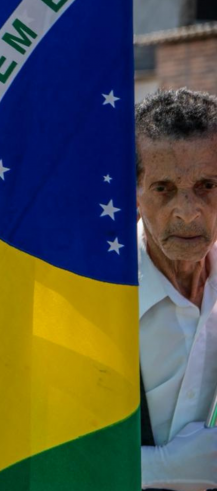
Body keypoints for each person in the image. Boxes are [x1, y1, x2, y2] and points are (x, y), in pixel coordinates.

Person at [137, 88, 217, 491]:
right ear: (134, 192)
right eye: (163, 188)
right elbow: (51, 453)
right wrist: (166, 467)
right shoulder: (91, 297)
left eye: (206, 185)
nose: (187, 211)